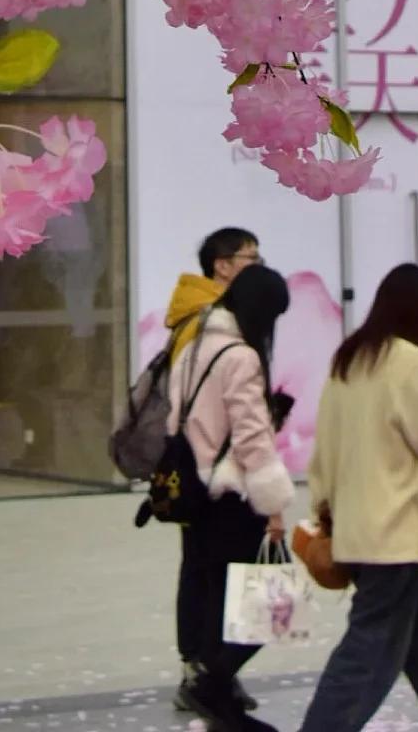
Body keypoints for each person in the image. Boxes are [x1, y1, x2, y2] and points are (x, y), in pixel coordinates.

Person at [299, 264, 418, 732]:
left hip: (356, 526)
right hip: (394, 529)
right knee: (368, 652)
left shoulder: (350, 358)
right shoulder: (408, 362)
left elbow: (324, 445)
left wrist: (324, 506)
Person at [170, 263, 294, 732]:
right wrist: (275, 506)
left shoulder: (196, 345)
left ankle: (215, 693)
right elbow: (252, 437)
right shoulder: (240, 356)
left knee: (215, 595)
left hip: (197, 494)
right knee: (274, 599)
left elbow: (176, 418)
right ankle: (212, 684)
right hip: (234, 495)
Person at [167, 227, 263, 713]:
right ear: (222, 265)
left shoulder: (204, 317)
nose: (258, 263)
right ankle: (205, 672)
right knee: (210, 573)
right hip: (210, 471)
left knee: (203, 569)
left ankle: (206, 672)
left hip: (196, 466)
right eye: (250, 256)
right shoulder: (208, 322)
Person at [166, 227, 262, 362]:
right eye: (253, 258)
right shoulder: (211, 319)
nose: (260, 266)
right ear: (222, 266)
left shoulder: (204, 312)